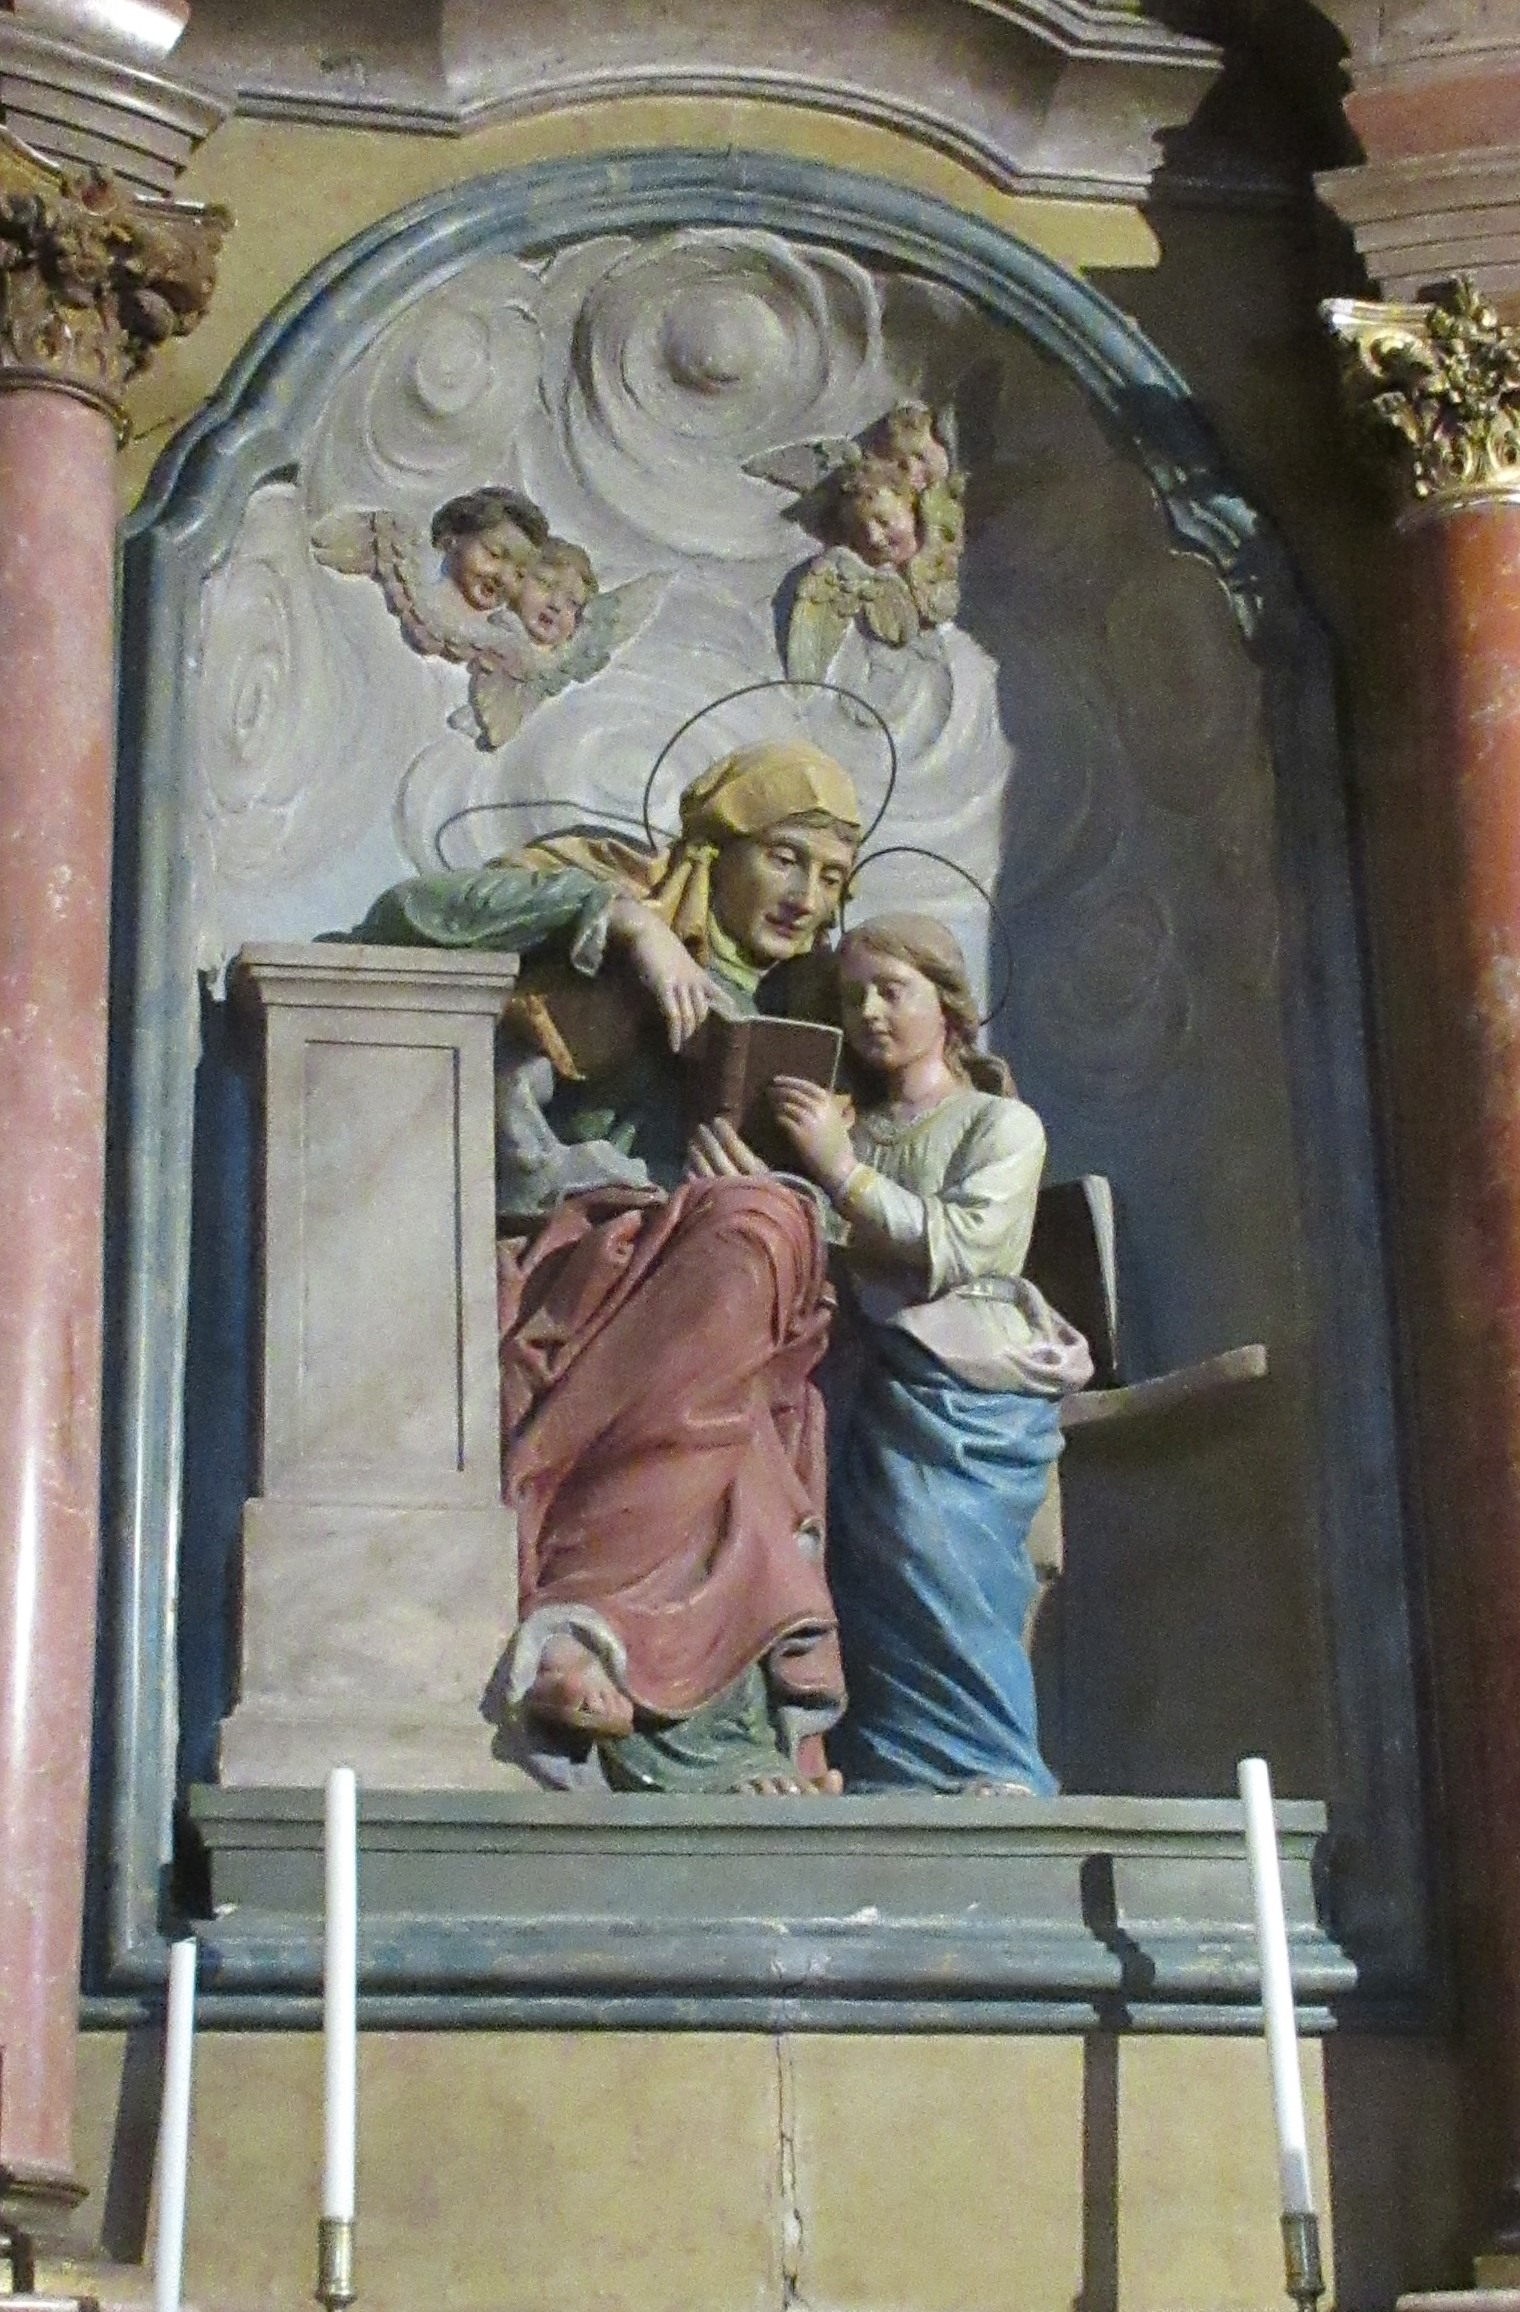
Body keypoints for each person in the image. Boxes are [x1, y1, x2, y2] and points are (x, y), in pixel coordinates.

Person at [350, 739, 863, 1792]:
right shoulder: (614, 901)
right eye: (784, 859)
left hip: (701, 1268)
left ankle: (621, 1651)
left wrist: (785, 1173)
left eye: (831, 877)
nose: (807, 897)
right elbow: (405, 914)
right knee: (751, 1247)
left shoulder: (807, 1006)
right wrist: (624, 923)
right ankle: (620, 1639)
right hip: (579, 1251)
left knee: (763, 1249)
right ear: (714, 850)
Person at [767, 913, 1092, 1794]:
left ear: (946, 1005)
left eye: (891, 991)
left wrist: (840, 1172)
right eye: (853, 998)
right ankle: (884, 1766)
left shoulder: (999, 1124)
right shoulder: (847, 1125)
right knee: (858, 1567)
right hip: (861, 1377)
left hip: (965, 1386)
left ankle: (990, 1762)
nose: (870, 1013)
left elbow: (967, 1246)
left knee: (939, 1554)